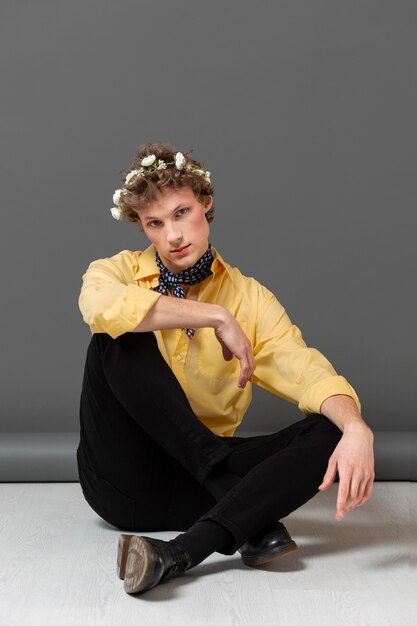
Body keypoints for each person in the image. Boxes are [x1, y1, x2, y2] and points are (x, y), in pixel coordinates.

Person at [77, 142, 375, 596]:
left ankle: (180, 552)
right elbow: (100, 307)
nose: (173, 235)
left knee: (331, 427)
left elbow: (306, 370)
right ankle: (243, 509)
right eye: (156, 223)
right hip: (123, 484)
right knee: (116, 333)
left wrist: (357, 428)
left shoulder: (251, 298)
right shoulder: (115, 273)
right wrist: (215, 316)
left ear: (206, 204)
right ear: (142, 226)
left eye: (181, 213)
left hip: (199, 490)